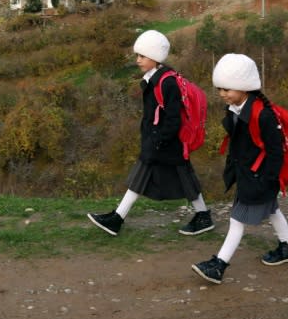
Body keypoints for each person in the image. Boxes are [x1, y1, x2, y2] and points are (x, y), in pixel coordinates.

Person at [87, 29, 214, 236]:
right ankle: (117, 218)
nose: (137, 60)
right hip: (160, 141)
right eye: (138, 55)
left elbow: (173, 119)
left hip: (167, 142)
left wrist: (157, 140)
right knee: (149, 175)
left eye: (142, 56)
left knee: (183, 177)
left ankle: (203, 216)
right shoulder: (155, 78)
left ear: (154, 58)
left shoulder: (167, 83)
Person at [192, 53, 288, 285]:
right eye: (220, 89)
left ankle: (219, 265)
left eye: (227, 89)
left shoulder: (263, 115)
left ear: (245, 87)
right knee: (272, 210)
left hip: (258, 178)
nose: (222, 94)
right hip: (249, 174)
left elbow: (275, 152)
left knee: (237, 220)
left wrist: (267, 181)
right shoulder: (237, 108)